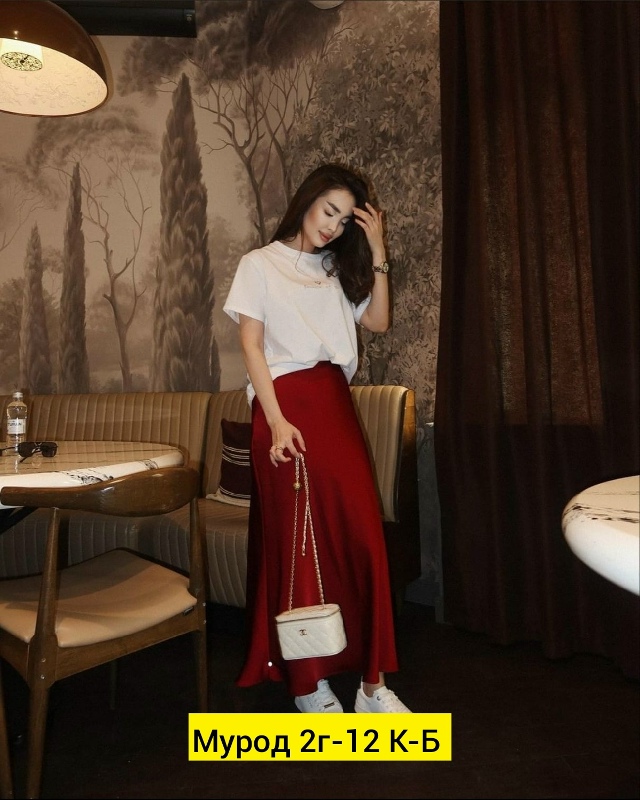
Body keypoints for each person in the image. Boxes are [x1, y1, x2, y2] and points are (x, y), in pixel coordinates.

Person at [223, 163, 411, 713]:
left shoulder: (335, 270)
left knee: (362, 536)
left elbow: (378, 321)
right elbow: (251, 346)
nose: (333, 225)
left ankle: (373, 684)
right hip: (284, 407)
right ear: (307, 200)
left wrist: (377, 249)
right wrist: (277, 419)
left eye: (345, 219)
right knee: (298, 548)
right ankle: (308, 683)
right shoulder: (259, 264)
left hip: (334, 406)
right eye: (329, 210)